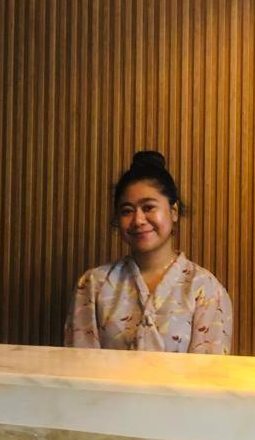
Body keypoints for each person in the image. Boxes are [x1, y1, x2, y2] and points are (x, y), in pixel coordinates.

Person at [64, 151, 232, 353]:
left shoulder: (205, 289)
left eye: (149, 207)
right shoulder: (93, 285)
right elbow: (80, 371)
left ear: (174, 211)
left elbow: (209, 375)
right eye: (127, 210)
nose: (138, 220)